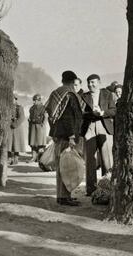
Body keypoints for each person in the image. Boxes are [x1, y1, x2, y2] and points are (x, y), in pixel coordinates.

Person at [45, 71, 84, 206]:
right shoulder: (70, 95)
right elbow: (69, 117)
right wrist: (72, 135)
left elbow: (50, 114)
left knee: (62, 165)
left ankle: (62, 195)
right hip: (67, 136)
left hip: (57, 133)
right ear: (73, 81)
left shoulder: (56, 93)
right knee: (66, 166)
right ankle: (63, 197)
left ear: (62, 80)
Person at [80, 74, 116, 196]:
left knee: (107, 159)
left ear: (99, 82)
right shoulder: (84, 96)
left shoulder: (107, 94)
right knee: (90, 159)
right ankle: (91, 189)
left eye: (93, 82)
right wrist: (92, 113)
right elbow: (81, 113)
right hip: (89, 127)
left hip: (104, 126)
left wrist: (102, 112)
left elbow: (114, 110)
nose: (91, 85)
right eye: (89, 82)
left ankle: (107, 187)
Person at [28, 94, 47, 163]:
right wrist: (30, 120)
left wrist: (43, 125)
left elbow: (45, 117)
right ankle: (33, 157)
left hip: (40, 127)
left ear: (39, 100)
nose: (34, 102)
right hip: (33, 126)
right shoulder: (32, 108)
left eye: (35, 100)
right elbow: (30, 116)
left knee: (40, 143)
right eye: (34, 100)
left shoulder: (43, 108)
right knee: (33, 142)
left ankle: (40, 158)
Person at [7, 95, 26, 164]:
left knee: (16, 143)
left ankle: (16, 158)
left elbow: (22, 117)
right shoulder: (7, 107)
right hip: (9, 127)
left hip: (17, 128)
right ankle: (9, 158)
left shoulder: (19, 107)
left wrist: (14, 124)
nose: (12, 100)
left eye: (13, 99)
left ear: (15, 99)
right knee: (9, 143)